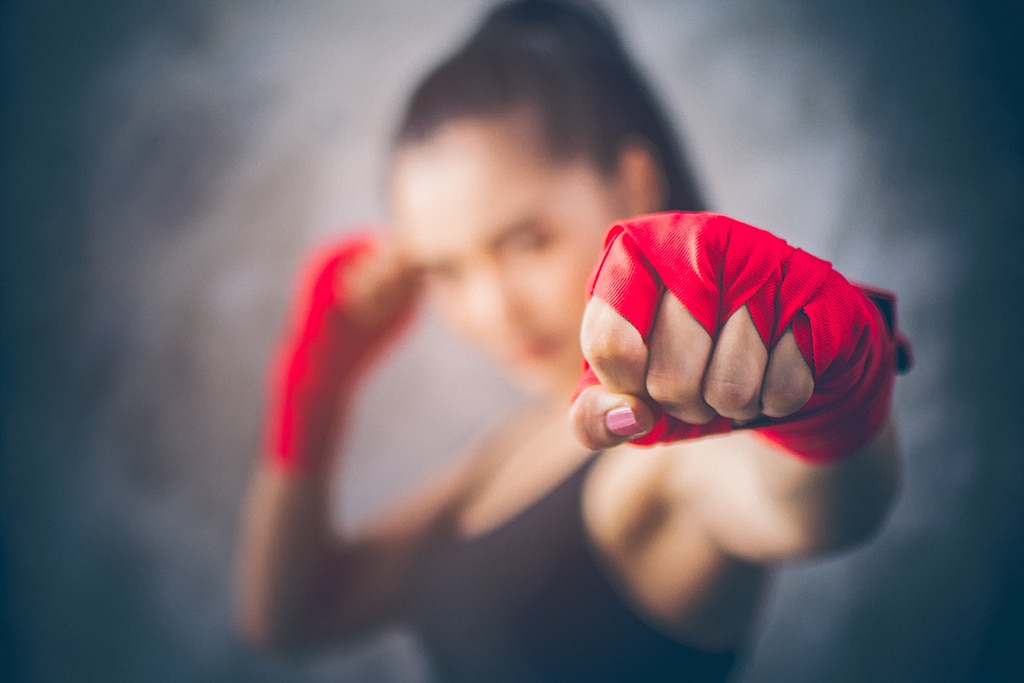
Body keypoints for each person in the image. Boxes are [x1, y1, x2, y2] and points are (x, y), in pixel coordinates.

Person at [234, 1, 911, 681]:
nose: (493, 309)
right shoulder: (505, 455)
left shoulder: (660, 458)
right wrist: (314, 381)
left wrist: (835, 394)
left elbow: (820, 504)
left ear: (634, 183)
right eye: (446, 269)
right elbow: (293, 616)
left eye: (527, 242)